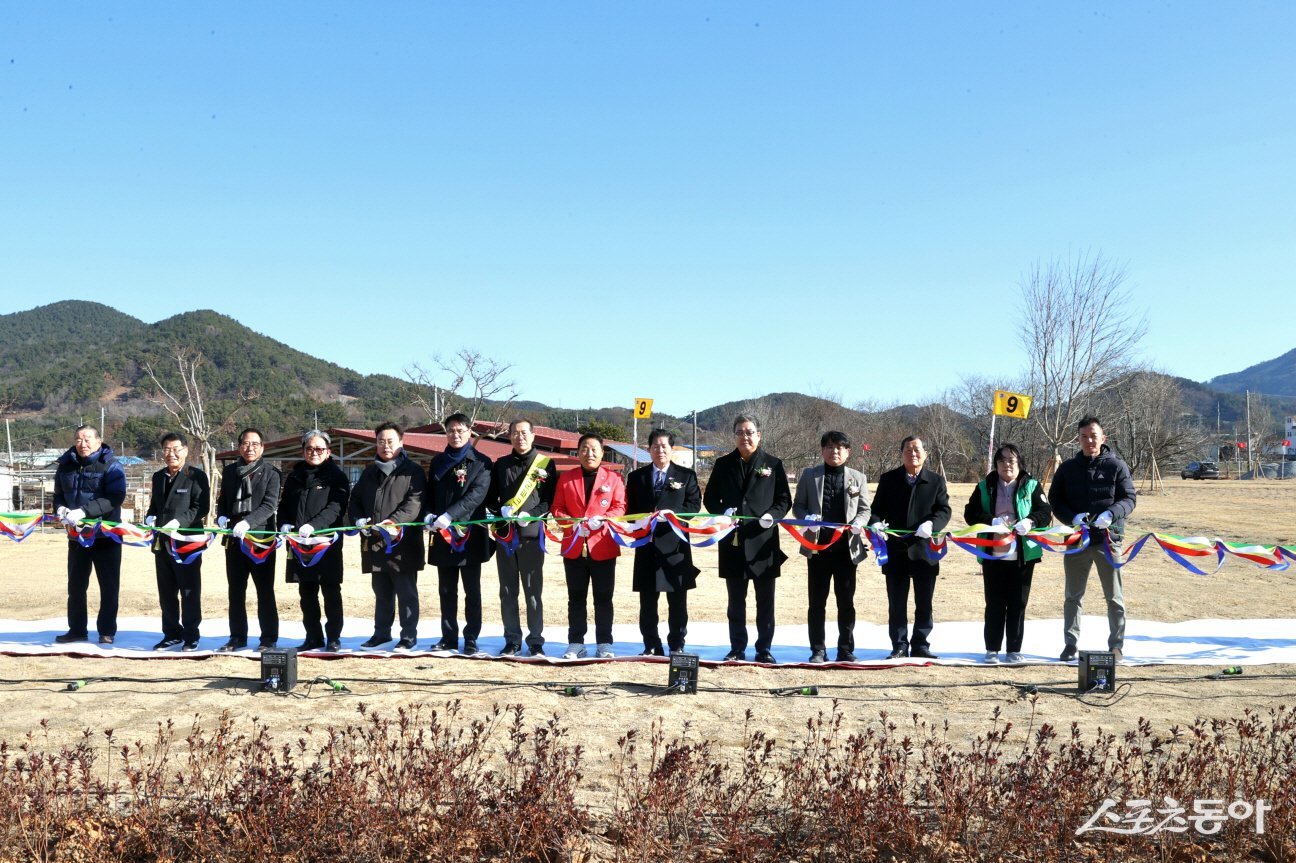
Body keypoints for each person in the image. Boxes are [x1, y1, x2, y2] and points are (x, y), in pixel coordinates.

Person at [702, 414, 792, 664]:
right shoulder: (723, 464)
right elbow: (710, 499)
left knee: (765, 602)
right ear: (734, 435)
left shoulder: (773, 464)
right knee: (735, 602)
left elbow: (784, 499)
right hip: (732, 541)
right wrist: (723, 514)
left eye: (750, 432)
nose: (745, 436)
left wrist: (771, 516)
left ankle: (764, 649)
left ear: (759, 435)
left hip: (763, 541)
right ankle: (737, 648)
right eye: (740, 432)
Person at [1048, 416, 1137, 663]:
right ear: (1078, 439)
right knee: (1072, 596)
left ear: (1103, 438)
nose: (1089, 441)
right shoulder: (1067, 468)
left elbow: (1129, 498)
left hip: (1108, 541)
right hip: (1076, 541)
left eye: (1093, 436)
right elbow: (1055, 500)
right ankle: (1070, 643)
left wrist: (1112, 513)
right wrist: (1071, 517)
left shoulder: (1117, 466)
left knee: (1114, 596)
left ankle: (1116, 645)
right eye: (1084, 436)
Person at [963, 443, 1052, 665]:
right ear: (996, 465)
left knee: (1018, 603)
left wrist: (1030, 521)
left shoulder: (1031, 485)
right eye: (1002, 461)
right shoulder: (985, 486)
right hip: (993, 554)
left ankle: (1014, 649)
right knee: (994, 603)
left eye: (1011, 461)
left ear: (1019, 463)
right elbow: (970, 512)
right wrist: (989, 521)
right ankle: (992, 648)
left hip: (1023, 555)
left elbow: (1045, 512)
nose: (1006, 465)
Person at [869, 435, 951, 660]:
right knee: (896, 602)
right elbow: (876, 510)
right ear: (901, 453)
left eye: (917, 449)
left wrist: (931, 524)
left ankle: (921, 644)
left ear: (925, 453)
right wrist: (875, 523)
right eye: (908, 449)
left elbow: (944, 510)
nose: (913, 453)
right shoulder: (889, 479)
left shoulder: (935, 481)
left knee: (924, 601)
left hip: (925, 551)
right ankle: (899, 644)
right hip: (895, 550)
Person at [792, 430, 871, 663]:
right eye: (829, 447)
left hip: (847, 550)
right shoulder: (809, 475)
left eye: (839, 447)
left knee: (846, 601)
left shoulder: (858, 477)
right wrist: (807, 519)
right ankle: (818, 649)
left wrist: (859, 523)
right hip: (817, 548)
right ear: (822, 450)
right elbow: (798, 505)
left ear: (847, 451)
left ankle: (845, 649)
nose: (834, 451)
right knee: (817, 602)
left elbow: (865, 509)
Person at [348, 422, 426, 650]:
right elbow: (355, 500)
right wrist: (358, 519)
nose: (385, 445)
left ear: (401, 442)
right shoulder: (369, 471)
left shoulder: (413, 471)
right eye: (381, 441)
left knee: (406, 593)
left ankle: (408, 636)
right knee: (381, 592)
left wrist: (392, 522)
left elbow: (414, 503)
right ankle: (381, 633)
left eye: (390, 441)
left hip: (403, 543)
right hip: (375, 543)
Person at [625, 429, 701, 656]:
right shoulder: (636, 477)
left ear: (671, 449)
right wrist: (642, 520)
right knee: (647, 601)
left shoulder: (686, 476)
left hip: (675, 547)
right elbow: (629, 509)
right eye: (655, 446)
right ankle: (650, 644)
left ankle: (677, 643)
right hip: (646, 546)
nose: (660, 450)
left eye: (664, 446)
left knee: (677, 600)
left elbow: (694, 505)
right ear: (649, 449)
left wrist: (671, 514)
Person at [551, 433, 627, 659]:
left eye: (594, 449)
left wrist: (601, 519)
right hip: (574, 545)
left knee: (603, 597)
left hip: (602, 546)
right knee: (576, 597)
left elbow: (620, 506)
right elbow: (557, 508)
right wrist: (572, 524)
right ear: (578, 452)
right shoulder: (566, 478)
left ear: (602, 453)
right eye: (584, 449)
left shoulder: (613, 479)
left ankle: (604, 642)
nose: (589, 453)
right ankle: (576, 642)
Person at [424, 413, 494, 655]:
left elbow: (477, 495)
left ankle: (471, 637)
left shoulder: (482, 462)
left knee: (472, 590)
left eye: (460, 430)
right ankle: (448, 636)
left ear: (470, 431)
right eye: (451, 430)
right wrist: (429, 514)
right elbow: (430, 493)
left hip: (470, 534)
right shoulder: (437, 461)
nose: (456, 434)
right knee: (446, 589)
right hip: (442, 535)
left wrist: (450, 515)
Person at [52, 425, 127, 645]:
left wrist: (85, 511)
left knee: (109, 586)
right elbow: (58, 495)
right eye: (78, 439)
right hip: (77, 537)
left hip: (106, 536)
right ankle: (76, 629)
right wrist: (60, 509)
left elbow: (116, 497)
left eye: (87, 439)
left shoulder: (111, 465)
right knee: (75, 586)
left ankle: (106, 630)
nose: (82, 444)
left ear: (99, 441)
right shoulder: (65, 466)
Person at [279, 430, 351, 653]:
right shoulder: (294, 476)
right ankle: (313, 636)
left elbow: (336, 507)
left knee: (330, 590)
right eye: (310, 449)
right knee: (306, 592)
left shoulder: (337, 477)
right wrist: (283, 523)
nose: (314, 453)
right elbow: (285, 505)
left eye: (319, 449)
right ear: (303, 451)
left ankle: (333, 637)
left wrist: (314, 526)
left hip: (325, 543)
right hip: (300, 544)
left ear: (328, 452)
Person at [488, 419, 556, 657]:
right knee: (507, 591)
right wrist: (499, 512)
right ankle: (512, 639)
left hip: (531, 536)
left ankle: (536, 641)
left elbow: (549, 501)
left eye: (524, 433)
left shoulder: (546, 464)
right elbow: (490, 497)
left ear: (533, 435)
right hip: (506, 536)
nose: (520, 437)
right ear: (509, 436)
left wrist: (534, 515)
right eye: (515, 433)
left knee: (533, 591)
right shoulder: (501, 465)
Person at [215, 428, 281, 652]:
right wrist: (222, 515)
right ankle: (237, 637)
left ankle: (268, 637)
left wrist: (248, 522)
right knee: (235, 590)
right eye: (245, 443)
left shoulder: (271, 472)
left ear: (262, 447)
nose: (249, 448)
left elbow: (269, 505)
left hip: (260, 539)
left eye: (254, 444)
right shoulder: (231, 471)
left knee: (264, 590)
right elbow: (223, 499)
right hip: (234, 539)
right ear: (239, 446)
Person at [145, 433, 210, 651]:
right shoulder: (158, 476)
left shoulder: (196, 476)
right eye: (166, 449)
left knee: (189, 590)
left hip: (187, 541)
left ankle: (191, 635)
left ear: (185, 450)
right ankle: (171, 633)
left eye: (175, 449)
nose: (170, 454)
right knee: (166, 590)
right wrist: (149, 516)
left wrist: (178, 522)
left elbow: (201, 507)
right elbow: (155, 505)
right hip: (162, 542)